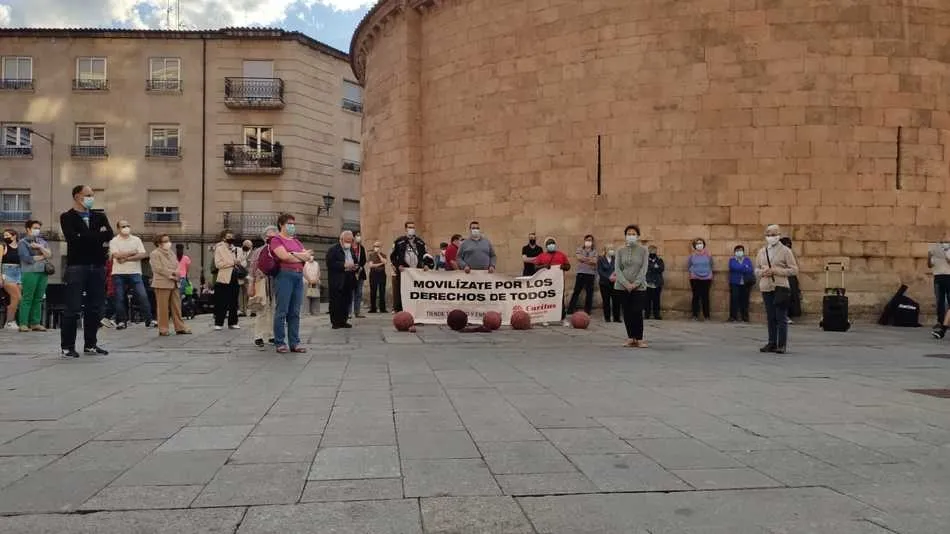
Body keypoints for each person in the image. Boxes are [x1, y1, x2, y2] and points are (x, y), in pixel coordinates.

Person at [59, 184, 112, 358]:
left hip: (97, 265)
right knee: (72, 307)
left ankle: (90, 344)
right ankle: (67, 346)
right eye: (87, 195)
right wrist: (96, 236)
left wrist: (85, 236)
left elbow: (109, 235)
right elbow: (72, 239)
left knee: (94, 307)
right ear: (77, 196)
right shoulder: (67, 217)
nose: (91, 198)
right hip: (77, 266)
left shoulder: (99, 216)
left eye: (92, 195)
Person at [269, 214, 311, 352]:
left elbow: (308, 256)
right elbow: (284, 257)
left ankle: (295, 343)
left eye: (293, 223)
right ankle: (280, 342)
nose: (292, 226)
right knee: (282, 310)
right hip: (284, 276)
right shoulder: (276, 240)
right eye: (289, 223)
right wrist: (298, 256)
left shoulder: (296, 241)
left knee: (295, 311)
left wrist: (293, 254)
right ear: (281, 224)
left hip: (298, 276)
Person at [755, 225, 799, 354]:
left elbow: (794, 270)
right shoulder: (762, 251)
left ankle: (782, 344)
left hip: (780, 286)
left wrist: (776, 270)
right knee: (770, 316)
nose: (770, 237)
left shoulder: (785, 251)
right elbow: (756, 269)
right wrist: (762, 272)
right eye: (768, 234)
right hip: (766, 286)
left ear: (778, 235)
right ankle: (772, 342)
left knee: (781, 316)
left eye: (773, 234)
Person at [109, 220, 155, 330]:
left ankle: (149, 319)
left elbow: (143, 254)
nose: (126, 228)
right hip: (118, 273)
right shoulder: (114, 241)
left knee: (142, 295)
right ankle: (121, 321)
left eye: (128, 225)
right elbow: (116, 255)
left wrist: (126, 258)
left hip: (135, 272)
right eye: (123, 226)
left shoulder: (136, 239)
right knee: (119, 297)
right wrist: (132, 252)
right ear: (118, 229)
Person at [148, 234, 191, 336]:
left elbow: (177, 265)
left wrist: (177, 273)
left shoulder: (171, 253)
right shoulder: (155, 254)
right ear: (159, 243)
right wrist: (172, 273)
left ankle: (180, 327)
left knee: (177, 306)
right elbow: (157, 268)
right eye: (165, 241)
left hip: (174, 282)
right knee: (163, 307)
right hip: (162, 282)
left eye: (168, 240)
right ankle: (163, 329)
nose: (168, 243)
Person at [615, 225, 649, 348]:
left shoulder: (644, 250)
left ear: (638, 236)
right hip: (622, 286)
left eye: (633, 234)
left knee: (637, 312)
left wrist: (635, 284)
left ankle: (639, 338)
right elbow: (617, 269)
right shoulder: (619, 250)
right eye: (629, 234)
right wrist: (625, 283)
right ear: (625, 236)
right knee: (627, 312)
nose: (631, 236)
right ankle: (630, 337)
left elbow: (643, 268)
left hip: (638, 287)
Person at [17, 220, 52, 332]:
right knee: (27, 298)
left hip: (43, 272)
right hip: (30, 272)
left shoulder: (42, 241)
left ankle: (35, 323)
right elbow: (27, 259)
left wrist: (39, 247)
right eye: (35, 227)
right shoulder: (23, 242)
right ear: (28, 229)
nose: (38, 230)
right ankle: (23, 323)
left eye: (39, 228)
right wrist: (43, 256)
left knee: (38, 298)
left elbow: (49, 254)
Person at [248, 225, 278, 347]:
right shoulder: (258, 251)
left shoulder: (278, 250)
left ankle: (272, 335)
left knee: (274, 309)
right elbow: (252, 270)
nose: (269, 238)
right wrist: (251, 284)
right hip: (262, 282)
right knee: (262, 309)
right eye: (268, 236)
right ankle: (258, 336)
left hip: (275, 282)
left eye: (273, 236)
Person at [391, 221, 427, 312]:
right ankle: (401, 311)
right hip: (404, 271)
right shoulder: (399, 241)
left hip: (417, 272)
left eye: (413, 227)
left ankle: (417, 310)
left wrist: (425, 265)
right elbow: (393, 256)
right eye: (409, 227)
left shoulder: (420, 242)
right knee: (403, 291)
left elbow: (425, 255)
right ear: (405, 229)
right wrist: (398, 265)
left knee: (417, 291)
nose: (411, 229)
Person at [327, 230, 359, 329]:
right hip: (337, 279)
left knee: (347, 300)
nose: (348, 243)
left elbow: (355, 260)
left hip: (349, 277)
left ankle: (343, 320)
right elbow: (330, 263)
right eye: (347, 241)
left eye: (350, 241)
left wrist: (355, 266)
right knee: (336, 301)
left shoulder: (351, 250)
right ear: (341, 240)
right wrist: (343, 265)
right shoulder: (333, 249)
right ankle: (335, 322)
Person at [212, 229, 241, 330]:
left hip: (234, 277)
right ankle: (218, 323)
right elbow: (218, 264)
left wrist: (237, 261)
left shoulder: (235, 249)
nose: (231, 239)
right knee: (222, 302)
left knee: (234, 302)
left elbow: (241, 261)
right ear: (224, 238)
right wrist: (232, 263)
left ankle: (233, 322)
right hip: (224, 278)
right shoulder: (219, 248)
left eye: (232, 236)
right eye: (228, 237)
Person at [567, 234, 597, 314]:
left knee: (589, 293)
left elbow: (595, 261)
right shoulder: (579, 249)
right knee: (576, 291)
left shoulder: (594, 251)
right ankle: (570, 309)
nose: (588, 241)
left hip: (590, 274)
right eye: (587, 240)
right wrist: (589, 260)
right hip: (581, 273)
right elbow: (579, 257)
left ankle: (587, 311)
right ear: (584, 241)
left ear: (592, 242)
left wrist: (585, 260)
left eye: (590, 240)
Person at [1, 229, 22, 329]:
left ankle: (10, 321)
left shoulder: (20, 247)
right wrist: (0, 277)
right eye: (4, 235)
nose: (5, 237)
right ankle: (10, 321)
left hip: (19, 273)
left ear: (14, 236)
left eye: (7, 235)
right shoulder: (3, 246)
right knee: (17, 296)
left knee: (16, 299)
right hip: (7, 273)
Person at [687, 238, 713, 321]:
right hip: (695, 278)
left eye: (701, 243)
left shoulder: (708, 255)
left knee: (705, 297)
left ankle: (707, 316)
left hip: (706, 278)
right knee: (696, 297)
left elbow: (711, 264)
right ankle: (695, 315)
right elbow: (689, 265)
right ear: (695, 246)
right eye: (697, 243)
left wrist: (707, 272)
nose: (699, 245)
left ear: (704, 244)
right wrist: (693, 272)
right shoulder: (692, 255)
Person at [728, 245, 755, 322]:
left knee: (745, 300)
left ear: (743, 251)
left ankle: (745, 318)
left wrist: (740, 267)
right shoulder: (732, 260)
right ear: (734, 252)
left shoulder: (747, 260)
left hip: (745, 283)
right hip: (735, 283)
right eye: (737, 251)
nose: (739, 252)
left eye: (740, 250)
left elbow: (750, 270)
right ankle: (733, 317)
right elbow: (733, 267)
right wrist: (744, 267)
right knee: (734, 300)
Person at [596, 245, 621, 323]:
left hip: (615, 283)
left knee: (616, 301)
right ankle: (607, 317)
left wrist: (615, 276)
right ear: (606, 250)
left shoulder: (616, 259)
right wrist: (608, 277)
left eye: (613, 249)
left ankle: (616, 318)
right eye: (610, 249)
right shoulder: (601, 259)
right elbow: (600, 271)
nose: (612, 251)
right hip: (604, 283)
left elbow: (619, 269)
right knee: (606, 301)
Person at [780, 236, 803, 321]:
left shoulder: (791, 254)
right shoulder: (778, 254)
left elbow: (795, 267)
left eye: (789, 244)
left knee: (792, 297)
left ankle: (789, 315)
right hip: (782, 278)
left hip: (791, 277)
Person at [931, 240, 950, 327]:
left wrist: (945, 255)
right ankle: (940, 322)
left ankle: (947, 323)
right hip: (938, 277)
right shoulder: (935, 249)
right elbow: (930, 265)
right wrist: (929, 257)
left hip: (948, 277)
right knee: (939, 300)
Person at [645, 245, 665, 320]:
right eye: (651, 251)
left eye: (654, 251)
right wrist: (655, 267)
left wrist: (653, 268)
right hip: (648, 282)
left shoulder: (660, 260)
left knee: (656, 300)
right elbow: (646, 269)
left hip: (657, 283)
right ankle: (647, 314)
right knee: (647, 300)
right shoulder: (645, 260)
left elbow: (661, 269)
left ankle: (657, 314)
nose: (652, 252)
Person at [350, 231, 367, 319]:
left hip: (360, 273)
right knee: (350, 293)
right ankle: (349, 312)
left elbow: (364, 260)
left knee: (359, 293)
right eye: (357, 235)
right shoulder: (349, 247)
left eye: (360, 235)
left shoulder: (362, 248)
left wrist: (360, 267)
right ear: (353, 237)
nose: (359, 237)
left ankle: (357, 312)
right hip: (350, 272)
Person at [368, 241, 388, 313]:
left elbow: (385, 261)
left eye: (378, 246)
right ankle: (373, 308)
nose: (376, 248)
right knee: (373, 291)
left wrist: (379, 254)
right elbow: (371, 265)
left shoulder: (383, 255)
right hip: (373, 274)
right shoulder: (371, 255)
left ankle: (382, 308)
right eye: (375, 246)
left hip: (382, 274)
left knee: (382, 291)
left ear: (380, 247)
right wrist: (380, 263)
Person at [237, 240, 253, 317]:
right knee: (241, 294)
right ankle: (242, 310)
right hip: (240, 276)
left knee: (250, 293)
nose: (246, 246)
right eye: (245, 244)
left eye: (248, 245)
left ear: (251, 246)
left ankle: (253, 310)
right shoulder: (239, 252)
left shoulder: (253, 253)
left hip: (249, 276)